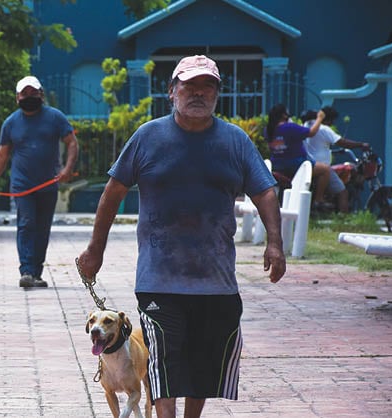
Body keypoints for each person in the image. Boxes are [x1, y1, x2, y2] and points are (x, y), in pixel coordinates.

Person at [76, 55, 286, 418]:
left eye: (207, 87)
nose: (198, 94)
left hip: (216, 280)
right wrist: (96, 249)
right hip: (159, 278)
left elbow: (265, 191)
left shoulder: (234, 141)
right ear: (172, 92)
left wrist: (275, 242)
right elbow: (113, 192)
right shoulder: (147, 137)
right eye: (189, 86)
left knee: (202, 366)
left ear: (217, 95)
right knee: (163, 363)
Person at [0, 75, 78, 288]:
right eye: (25, 93)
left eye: (33, 92)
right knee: (26, 224)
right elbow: (2, 155)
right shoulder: (11, 123)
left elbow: (72, 142)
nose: (29, 96)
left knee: (42, 228)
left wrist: (67, 169)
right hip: (22, 186)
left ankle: (36, 272)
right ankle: (26, 270)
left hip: (48, 183)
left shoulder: (55, 118)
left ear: (41, 94)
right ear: (17, 97)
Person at [302, 106, 370, 212]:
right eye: (332, 120)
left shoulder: (306, 126)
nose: (332, 123)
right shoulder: (324, 129)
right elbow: (342, 142)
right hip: (322, 167)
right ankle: (342, 218)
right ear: (328, 119)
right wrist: (361, 144)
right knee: (343, 192)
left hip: (307, 165)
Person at [265, 104, 332, 210]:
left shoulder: (269, 130)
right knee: (325, 170)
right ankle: (318, 200)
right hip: (296, 164)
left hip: (277, 165)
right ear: (284, 115)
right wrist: (320, 118)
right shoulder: (290, 127)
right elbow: (311, 132)